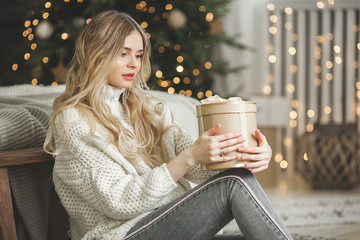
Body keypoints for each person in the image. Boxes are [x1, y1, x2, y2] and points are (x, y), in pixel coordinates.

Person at [44, 10, 293, 240]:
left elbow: (199, 160)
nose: (134, 63)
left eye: (139, 55)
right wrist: (187, 158)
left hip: (164, 221)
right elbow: (119, 202)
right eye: (123, 53)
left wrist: (249, 154)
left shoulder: (146, 107)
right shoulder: (75, 120)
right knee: (233, 184)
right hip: (122, 234)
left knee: (252, 217)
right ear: (96, 54)